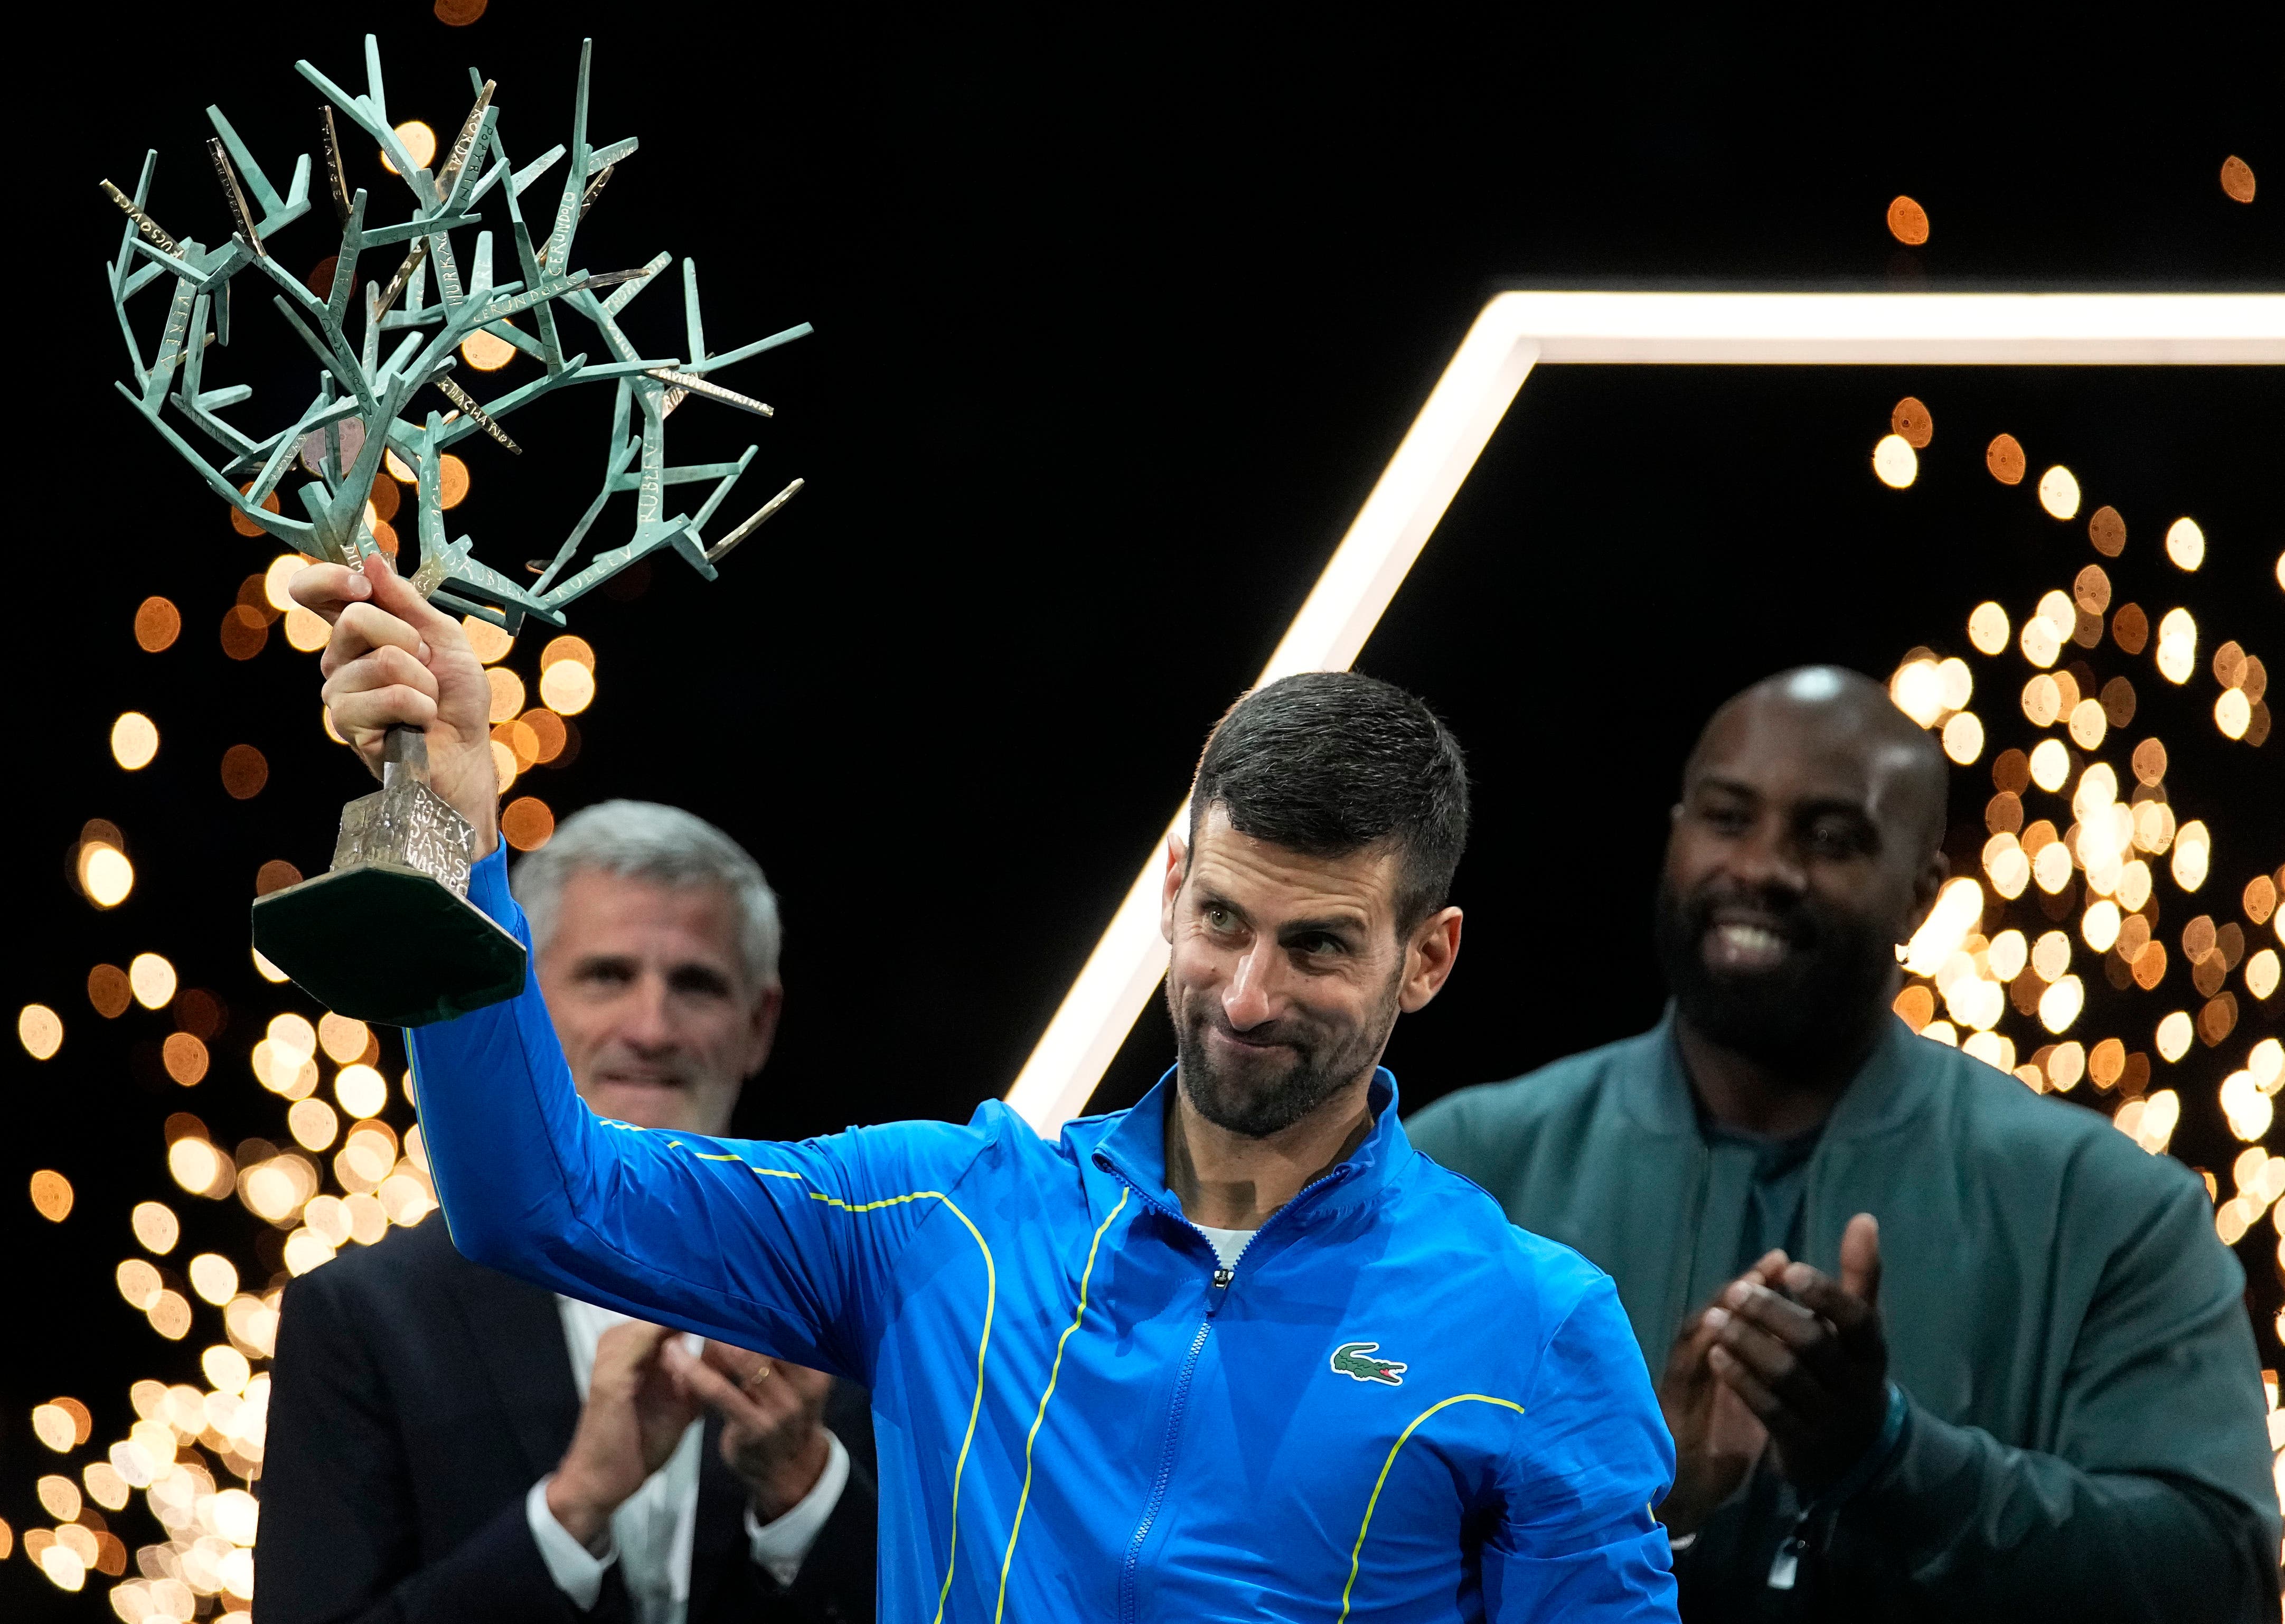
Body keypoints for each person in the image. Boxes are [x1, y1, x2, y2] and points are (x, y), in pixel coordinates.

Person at [285, 555, 1680, 1621]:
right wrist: (458, 829)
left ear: (1427, 959)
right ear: (1176, 890)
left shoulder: (1538, 1328)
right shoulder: (941, 1215)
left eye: (1318, 946)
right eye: (1225, 924)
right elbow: (538, 1198)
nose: (1249, 996)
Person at [1406, 665, 2279, 1620]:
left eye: (1831, 837)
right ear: (1674, 837)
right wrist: (1649, 1501)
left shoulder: (2113, 1208)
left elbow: (2219, 1574)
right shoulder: (1459, 1174)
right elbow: (1317, 1548)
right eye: (1728, 818)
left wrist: (1895, 1460)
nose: (1764, 868)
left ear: (1921, 897)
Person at [257, 801, 878, 1624]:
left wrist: (804, 1488)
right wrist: (571, 1510)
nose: (651, 1028)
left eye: (695, 983)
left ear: (759, 1024)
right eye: (607, 975)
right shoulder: (364, 1315)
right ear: (528, 998)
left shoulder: (863, 1301)